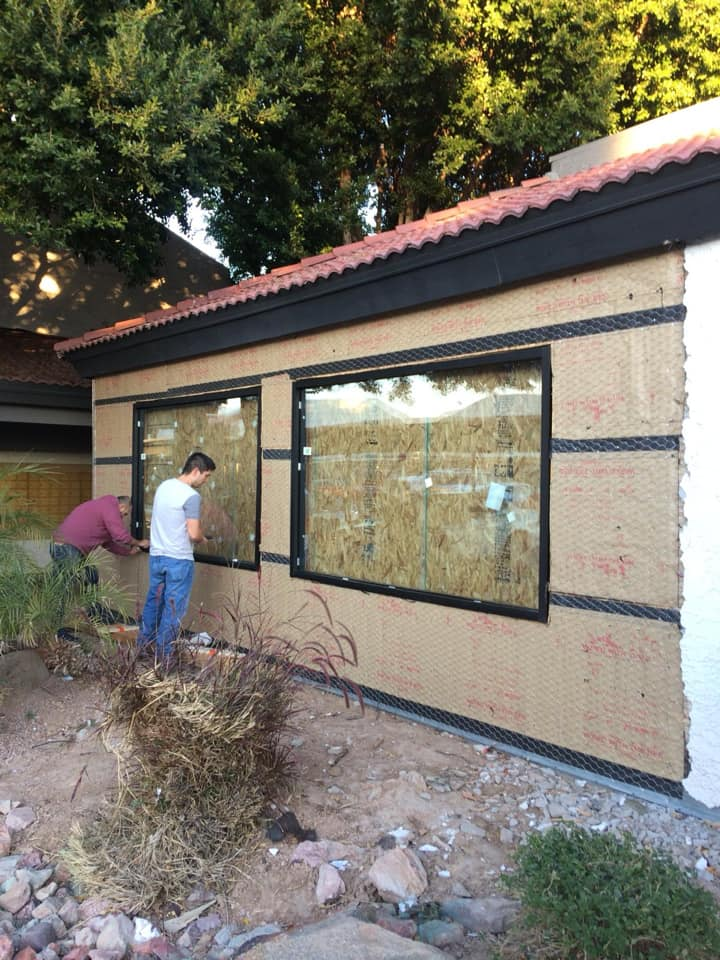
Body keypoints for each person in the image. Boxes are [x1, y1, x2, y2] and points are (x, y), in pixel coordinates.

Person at [138, 451, 215, 660]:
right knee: (173, 610)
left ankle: (142, 651)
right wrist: (202, 539)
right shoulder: (190, 495)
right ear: (196, 471)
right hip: (178, 560)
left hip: (157, 557)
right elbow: (193, 533)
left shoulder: (163, 487)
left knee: (153, 603)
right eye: (206, 476)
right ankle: (164, 658)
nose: (205, 481)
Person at [51, 495, 149, 626]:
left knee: (91, 575)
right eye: (125, 514)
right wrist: (140, 542)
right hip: (66, 547)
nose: (124, 517)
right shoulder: (109, 506)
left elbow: (109, 544)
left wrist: (128, 552)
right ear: (122, 506)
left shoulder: (103, 514)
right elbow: (120, 536)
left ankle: (93, 613)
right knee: (66, 586)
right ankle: (58, 624)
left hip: (67, 547)